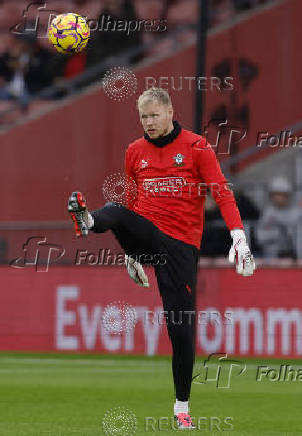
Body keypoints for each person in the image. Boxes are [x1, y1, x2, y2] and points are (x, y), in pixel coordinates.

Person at [67, 87, 255, 429]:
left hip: (181, 247)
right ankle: (88, 220)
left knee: (180, 331)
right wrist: (133, 253)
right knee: (117, 210)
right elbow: (136, 202)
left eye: (154, 115)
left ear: (170, 113)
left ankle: (181, 409)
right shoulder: (134, 151)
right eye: (143, 117)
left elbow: (221, 192)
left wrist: (238, 236)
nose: (149, 122)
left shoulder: (197, 146)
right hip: (149, 233)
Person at [257, 176, 301, 259]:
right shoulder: (268, 213)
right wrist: (278, 234)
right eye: (276, 194)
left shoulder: (296, 213)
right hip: (273, 255)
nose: (279, 198)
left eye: (283, 195)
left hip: (294, 254)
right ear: (271, 196)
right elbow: (260, 237)